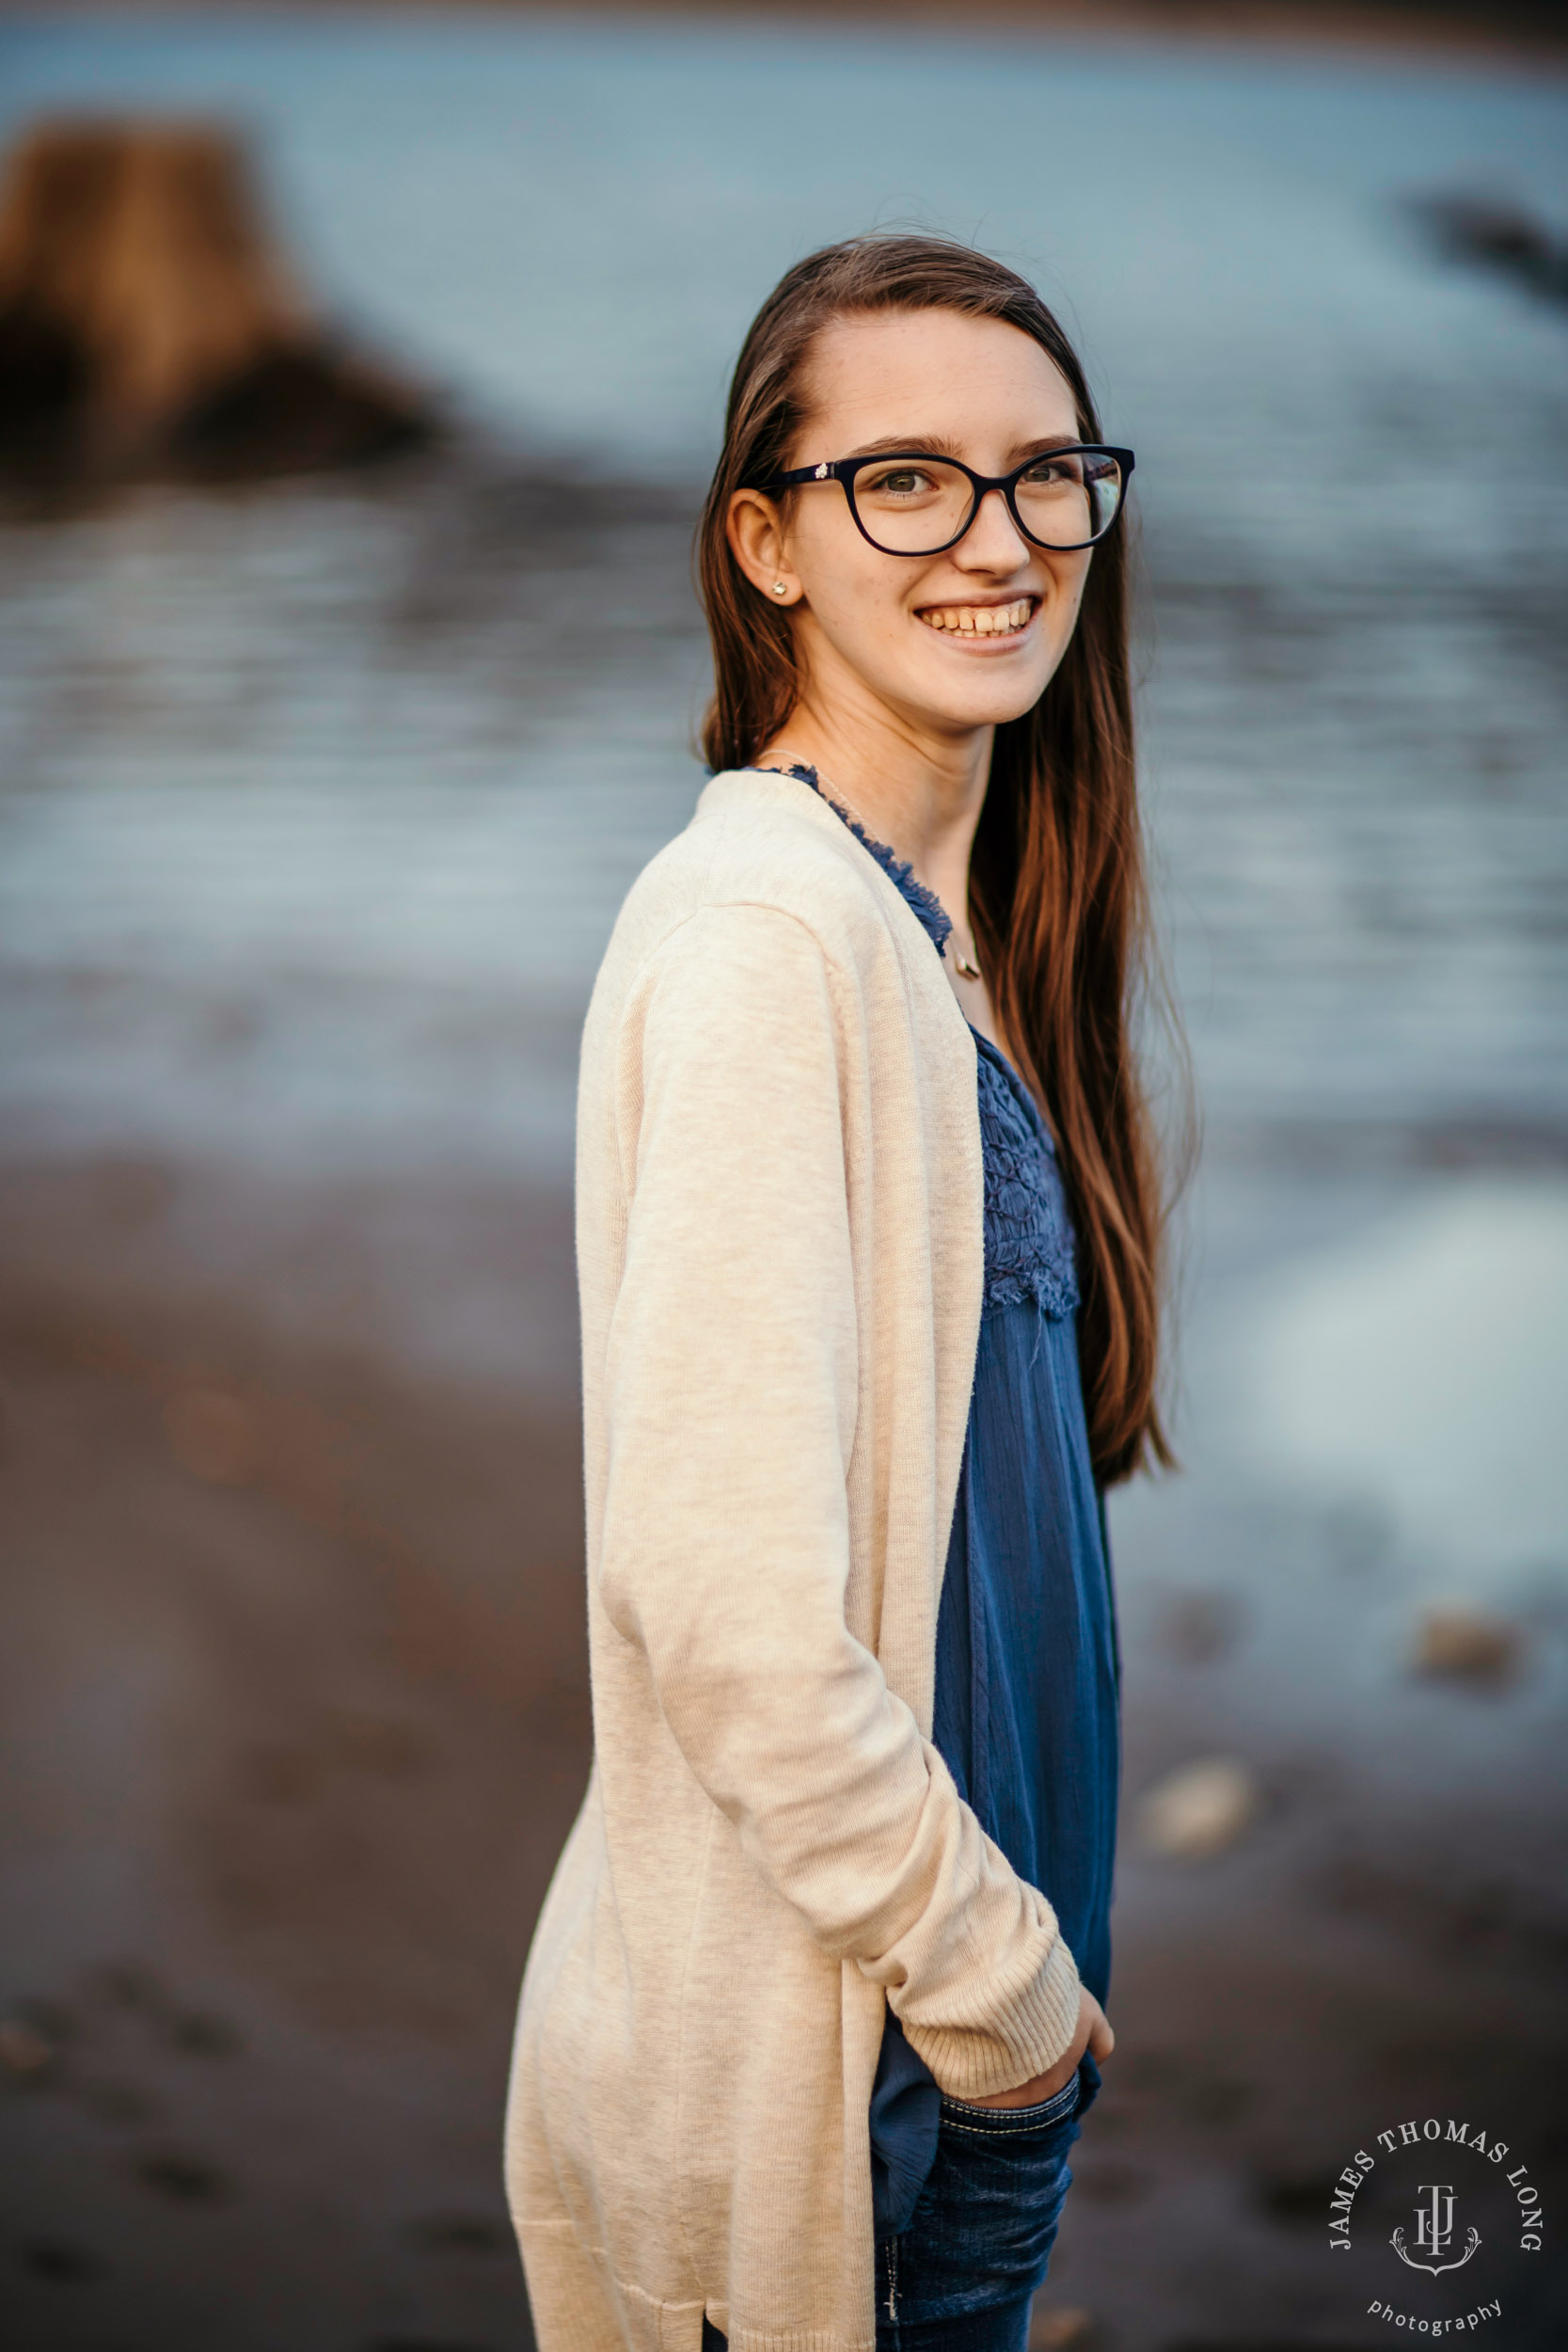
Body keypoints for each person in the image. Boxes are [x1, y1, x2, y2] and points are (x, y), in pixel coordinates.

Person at [505, 231, 1175, 2352]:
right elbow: (721, 1604)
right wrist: (1003, 2004)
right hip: (843, 2096)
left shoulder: (938, 935)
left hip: (941, 2080)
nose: (996, 538)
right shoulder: (763, 937)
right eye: (907, 478)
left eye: (1043, 473)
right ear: (767, 537)